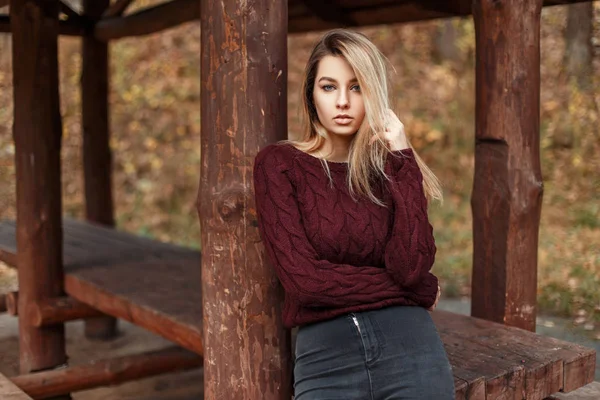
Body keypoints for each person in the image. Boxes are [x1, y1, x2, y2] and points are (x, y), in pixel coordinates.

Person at [253, 29, 455, 400]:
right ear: (311, 96)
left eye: (357, 87)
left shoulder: (389, 170)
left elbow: (409, 266)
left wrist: (402, 156)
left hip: (408, 341)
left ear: (374, 94)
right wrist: (419, 290)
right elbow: (306, 283)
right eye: (329, 87)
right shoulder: (279, 165)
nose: (343, 101)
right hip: (327, 353)